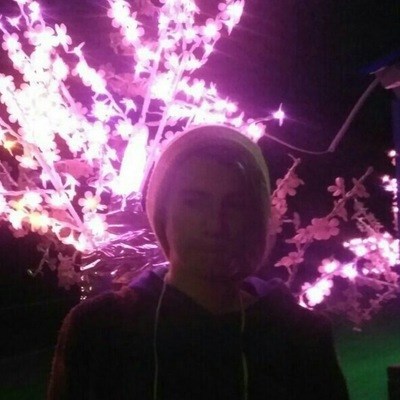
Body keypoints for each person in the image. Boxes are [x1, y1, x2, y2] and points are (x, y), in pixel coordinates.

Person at [47, 125, 349, 400]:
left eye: (234, 205)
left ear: (254, 218)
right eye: (194, 202)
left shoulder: (298, 336)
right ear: (163, 212)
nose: (215, 224)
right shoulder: (101, 331)